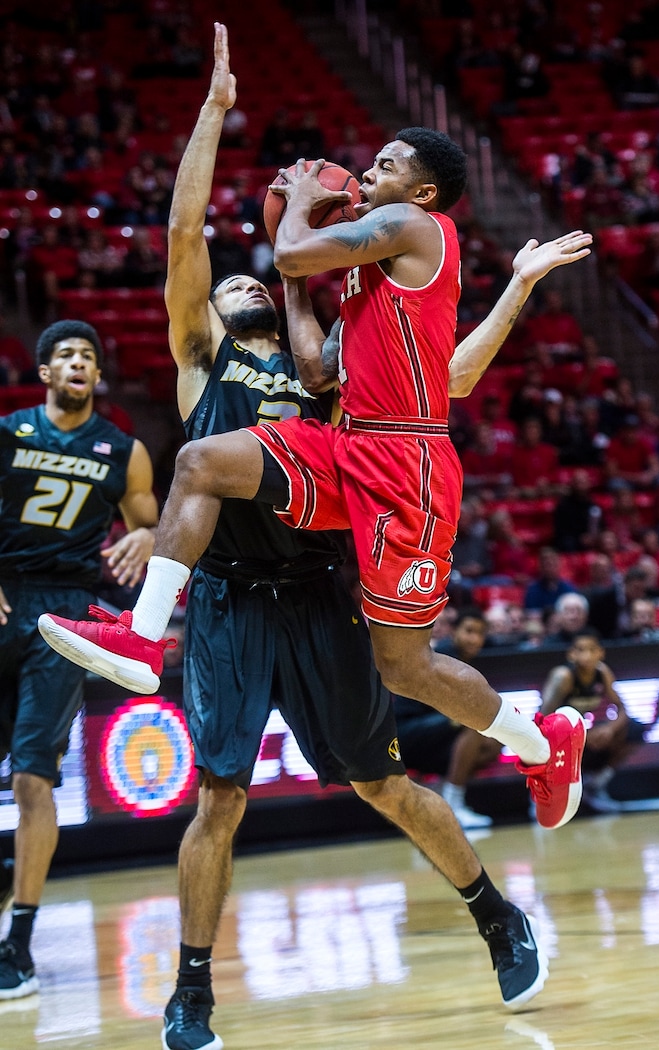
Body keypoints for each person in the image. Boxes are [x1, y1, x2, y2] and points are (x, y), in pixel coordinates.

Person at [40, 13, 592, 906]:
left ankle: (540, 742)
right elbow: (311, 360)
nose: (367, 171)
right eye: (366, 165)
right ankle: (143, 634)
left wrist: (296, 202)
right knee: (204, 461)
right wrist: (297, 278)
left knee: (405, 670)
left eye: (383, 163)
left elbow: (322, 270)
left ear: (423, 188)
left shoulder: (415, 229)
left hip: (403, 466)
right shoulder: (337, 293)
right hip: (344, 455)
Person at [0, 318, 158, 999]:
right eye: (64, 354)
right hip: (4, 594)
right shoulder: (9, 431)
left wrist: (148, 536)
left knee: (35, 777)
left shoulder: (123, 449)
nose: (77, 363)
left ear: (98, 376)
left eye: (87, 357)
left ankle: (20, 944)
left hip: (64, 615)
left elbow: (149, 518)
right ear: (44, 373)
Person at [395, 607, 502, 830]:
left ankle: (437, 804)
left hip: (432, 731)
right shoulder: (445, 655)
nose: (475, 638)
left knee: (492, 745)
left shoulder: (466, 660)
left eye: (480, 633)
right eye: (469, 631)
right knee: (473, 723)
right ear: (454, 632)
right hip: (403, 732)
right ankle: (454, 806)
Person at [539, 628, 650, 812]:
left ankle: (595, 785)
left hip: (582, 735)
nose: (587, 656)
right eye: (581, 650)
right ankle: (542, 793)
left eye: (592, 650)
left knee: (634, 730)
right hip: (556, 738)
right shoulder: (564, 677)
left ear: (601, 652)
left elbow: (623, 710)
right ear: (571, 654)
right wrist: (580, 736)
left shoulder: (602, 673)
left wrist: (610, 729)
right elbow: (543, 721)